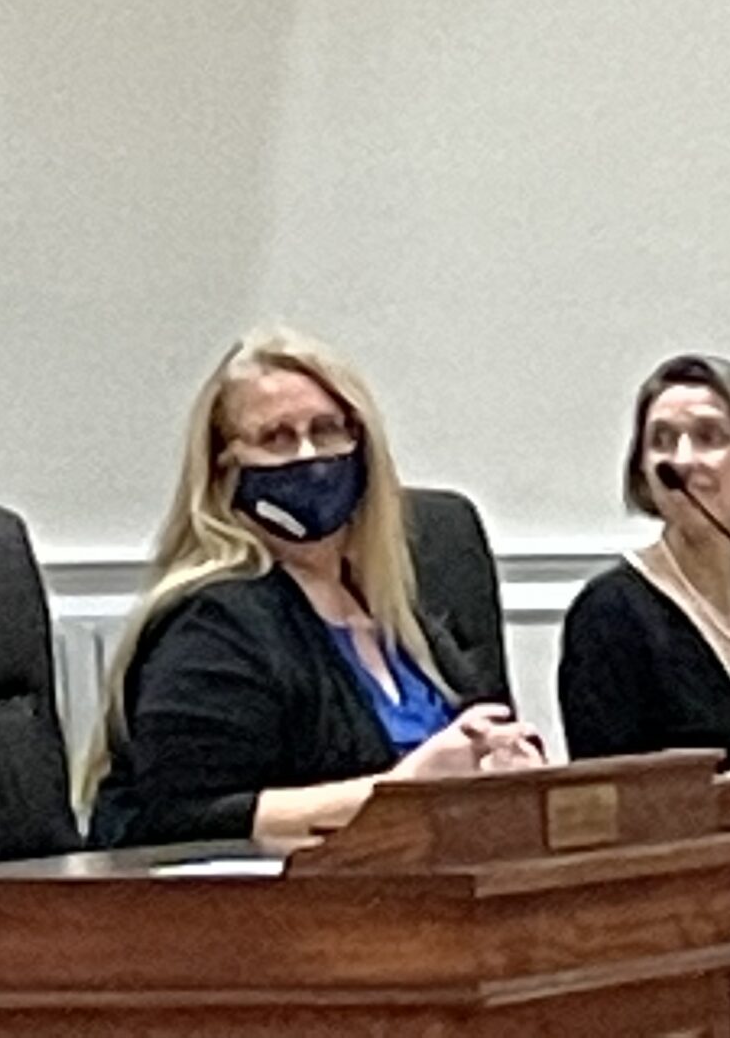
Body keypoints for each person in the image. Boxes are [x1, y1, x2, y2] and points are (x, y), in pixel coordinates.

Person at [83, 330, 540, 848]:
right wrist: (402, 793)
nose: (309, 457)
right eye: (276, 438)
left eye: (327, 431)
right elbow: (179, 821)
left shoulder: (398, 612)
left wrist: (507, 764)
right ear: (223, 469)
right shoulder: (213, 622)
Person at [558, 352, 730, 767]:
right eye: (662, 440)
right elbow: (609, 799)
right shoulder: (610, 613)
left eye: (709, 436)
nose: (682, 460)